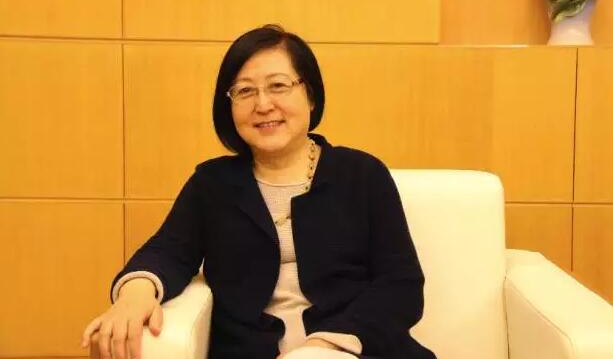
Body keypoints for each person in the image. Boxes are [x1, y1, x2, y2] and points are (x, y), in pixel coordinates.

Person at [81, 24, 437, 359]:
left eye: (278, 86)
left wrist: (326, 345)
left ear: (311, 95)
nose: (263, 104)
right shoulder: (213, 184)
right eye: (245, 91)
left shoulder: (362, 174)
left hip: (352, 351)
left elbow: (401, 284)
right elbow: (167, 252)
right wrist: (135, 295)